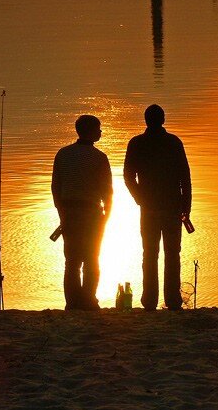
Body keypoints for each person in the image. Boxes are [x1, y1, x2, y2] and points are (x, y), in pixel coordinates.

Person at [124, 104, 192, 311]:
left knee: (150, 253)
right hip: (171, 206)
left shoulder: (137, 143)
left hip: (150, 207)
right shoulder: (173, 142)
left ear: (146, 120)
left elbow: (128, 176)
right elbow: (185, 178)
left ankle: (150, 300)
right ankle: (172, 300)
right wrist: (186, 207)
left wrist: (140, 198)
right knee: (172, 253)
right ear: (163, 120)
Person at [52, 115, 113, 310]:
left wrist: (61, 212)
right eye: (99, 129)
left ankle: (72, 302)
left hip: (69, 211)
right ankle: (88, 299)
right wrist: (107, 216)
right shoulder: (99, 158)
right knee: (91, 258)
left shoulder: (63, 154)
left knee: (72, 261)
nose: (101, 132)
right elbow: (107, 191)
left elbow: (56, 187)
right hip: (91, 213)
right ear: (91, 131)